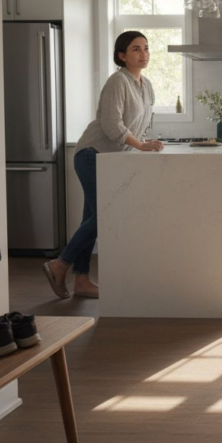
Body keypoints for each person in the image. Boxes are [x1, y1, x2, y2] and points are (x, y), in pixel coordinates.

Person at [41, 31, 164, 299]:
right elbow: (111, 126)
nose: (143, 54)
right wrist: (139, 145)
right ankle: (59, 264)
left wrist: (143, 140)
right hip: (92, 154)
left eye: (146, 48)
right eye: (135, 49)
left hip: (111, 158)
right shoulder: (117, 81)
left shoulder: (145, 84)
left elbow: (135, 124)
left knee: (92, 217)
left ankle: (82, 280)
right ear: (122, 55)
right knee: (105, 214)